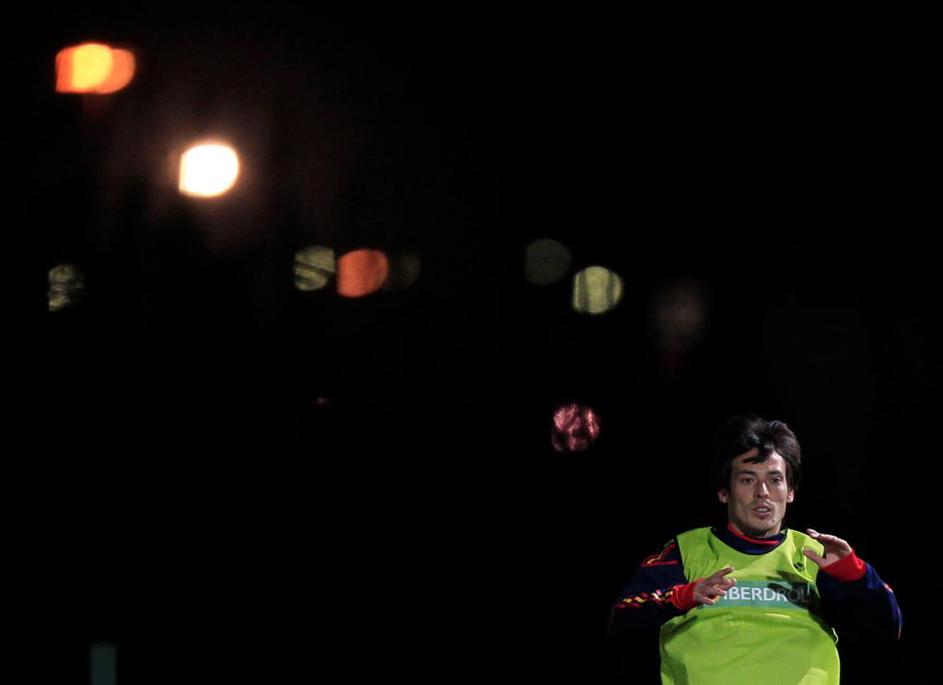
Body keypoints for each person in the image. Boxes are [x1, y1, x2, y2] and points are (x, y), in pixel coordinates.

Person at [607, 414, 902, 684]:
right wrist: (681, 597)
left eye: (775, 480)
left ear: (790, 492)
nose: (762, 492)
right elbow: (621, 617)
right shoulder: (686, 551)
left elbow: (888, 629)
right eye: (748, 479)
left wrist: (855, 574)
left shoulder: (816, 555)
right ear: (724, 492)